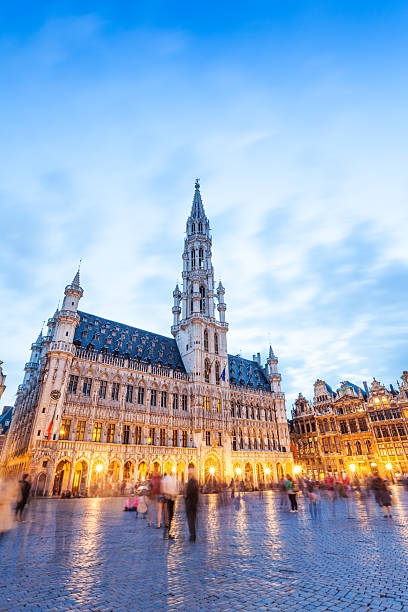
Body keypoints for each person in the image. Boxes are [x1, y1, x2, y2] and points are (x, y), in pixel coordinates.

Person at [161, 471, 178, 539]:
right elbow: (176, 490)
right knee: (169, 515)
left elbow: (162, 490)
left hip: (167, 498)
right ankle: (167, 533)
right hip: (170, 498)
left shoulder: (165, 480)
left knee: (167, 515)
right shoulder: (172, 480)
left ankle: (166, 533)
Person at [185, 468, 199, 542]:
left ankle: (192, 535)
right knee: (193, 519)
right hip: (194, 504)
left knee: (190, 520)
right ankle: (194, 534)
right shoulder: (196, 482)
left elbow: (187, 495)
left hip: (189, 504)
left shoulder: (189, 483)